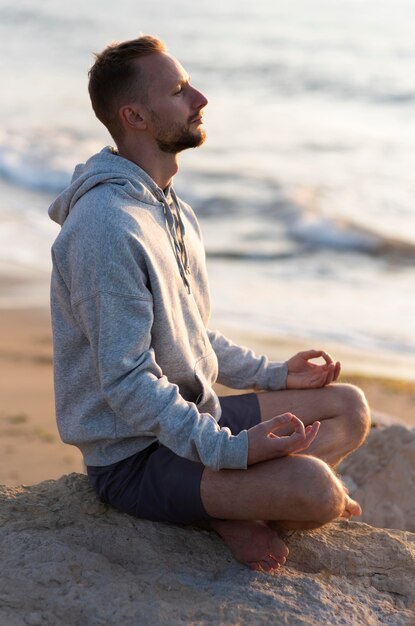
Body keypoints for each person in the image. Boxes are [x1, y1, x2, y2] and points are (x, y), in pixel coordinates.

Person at [49, 35, 371, 573]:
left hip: (195, 419)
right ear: (136, 116)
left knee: (348, 408)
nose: (200, 98)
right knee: (318, 492)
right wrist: (232, 453)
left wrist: (274, 375)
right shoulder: (107, 227)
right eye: (179, 90)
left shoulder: (168, 207)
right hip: (134, 456)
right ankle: (232, 507)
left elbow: (191, 330)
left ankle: (237, 498)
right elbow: (126, 382)